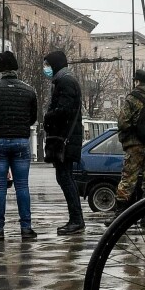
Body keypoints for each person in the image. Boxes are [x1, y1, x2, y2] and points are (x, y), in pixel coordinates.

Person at [0, 50, 38, 240]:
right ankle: (26, 228)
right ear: (16, 68)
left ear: (0, 69)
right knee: (22, 186)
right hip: (20, 141)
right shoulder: (28, 90)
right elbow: (32, 118)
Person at [43, 49, 85, 235]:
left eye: (48, 65)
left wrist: (48, 116)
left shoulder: (65, 82)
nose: (46, 69)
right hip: (67, 136)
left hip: (65, 137)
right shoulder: (64, 80)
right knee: (65, 177)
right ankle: (75, 219)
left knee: (65, 177)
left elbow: (64, 110)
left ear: (56, 65)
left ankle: (76, 220)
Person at [115, 70, 145, 212]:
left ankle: (120, 213)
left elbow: (123, 122)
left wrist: (134, 129)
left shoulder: (132, 97)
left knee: (128, 179)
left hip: (135, 145)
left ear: (138, 81)